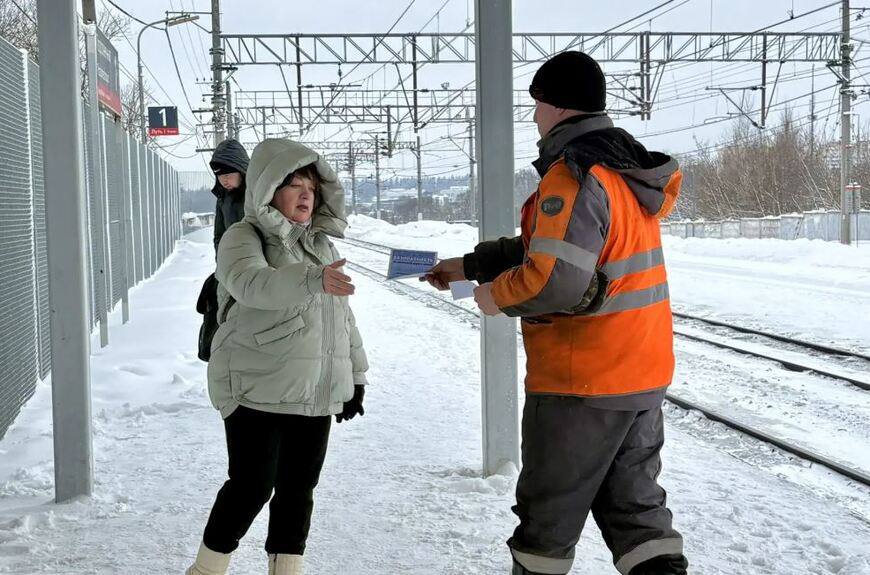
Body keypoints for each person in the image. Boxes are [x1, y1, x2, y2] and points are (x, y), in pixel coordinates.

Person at [423, 51, 688, 575]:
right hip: (639, 373)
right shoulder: (624, 171)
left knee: (547, 521)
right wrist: (467, 265)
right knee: (638, 517)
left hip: (580, 382)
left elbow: (554, 278)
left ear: (554, 105)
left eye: (537, 105)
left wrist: (492, 297)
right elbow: (548, 246)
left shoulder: (574, 174)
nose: (535, 116)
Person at [187, 139, 369, 575]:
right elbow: (252, 284)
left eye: (311, 185)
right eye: (292, 184)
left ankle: (286, 569)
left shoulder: (320, 246)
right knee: (251, 487)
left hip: (313, 388)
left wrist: (355, 375)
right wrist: (311, 279)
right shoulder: (242, 237)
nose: (306, 194)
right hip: (255, 385)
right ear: (268, 190)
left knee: (298, 488)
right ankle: (206, 570)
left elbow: (340, 317)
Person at [210, 138, 250, 254]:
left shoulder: (257, 194)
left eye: (227, 175)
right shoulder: (222, 198)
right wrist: (222, 261)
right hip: (232, 262)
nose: (224, 181)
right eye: (219, 176)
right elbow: (219, 235)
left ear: (241, 170)